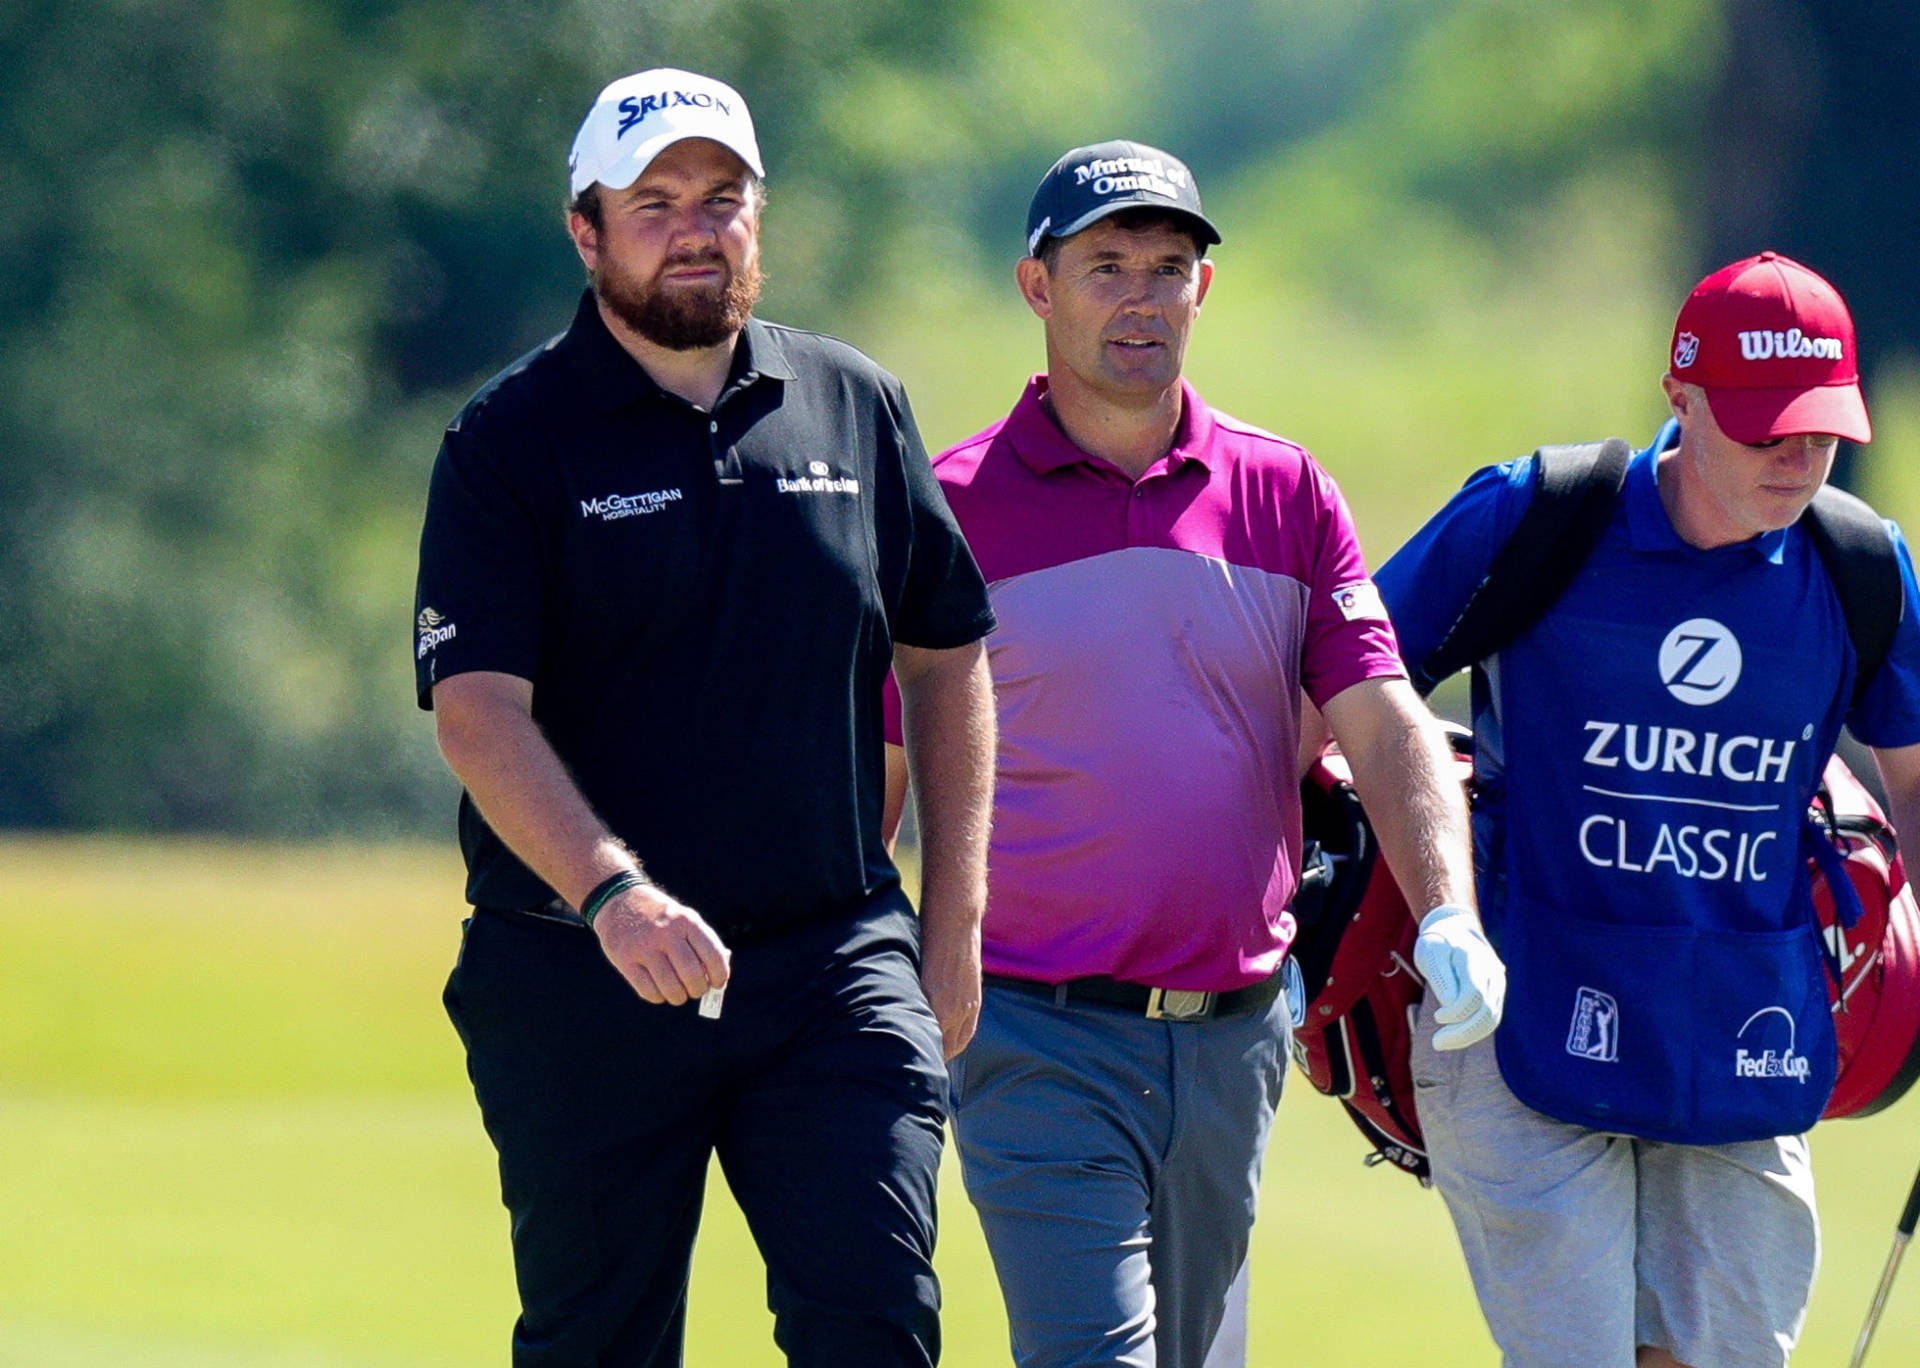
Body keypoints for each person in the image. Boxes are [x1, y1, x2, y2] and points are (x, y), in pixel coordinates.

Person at [413, 67, 997, 1368]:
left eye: (722, 198)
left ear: (760, 218)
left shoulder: (855, 403)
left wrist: (948, 921)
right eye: (656, 201)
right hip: (578, 971)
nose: (696, 227)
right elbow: (476, 712)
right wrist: (614, 895)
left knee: (878, 1324)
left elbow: (946, 657)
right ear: (587, 230)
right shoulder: (510, 441)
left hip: (831, 965)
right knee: (600, 1345)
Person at [882, 140, 1494, 1368]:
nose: (1143, 297)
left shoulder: (1287, 493)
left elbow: (1381, 717)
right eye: (1106, 265)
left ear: (1201, 292)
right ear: (1037, 288)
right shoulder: (948, 508)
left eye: (1168, 268)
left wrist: (1449, 914)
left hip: (1234, 1036)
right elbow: (875, 783)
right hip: (1030, 1030)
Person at [1377, 251, 1920, 1368]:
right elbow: (1346, 688)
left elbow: (1913, 777)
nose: (1798, 454)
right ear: (1680, 395)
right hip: (1522, 1003)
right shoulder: (1542, 514)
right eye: (1764, 424)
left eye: (1819, 426)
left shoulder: (1860, 562)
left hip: (1745, 1030)